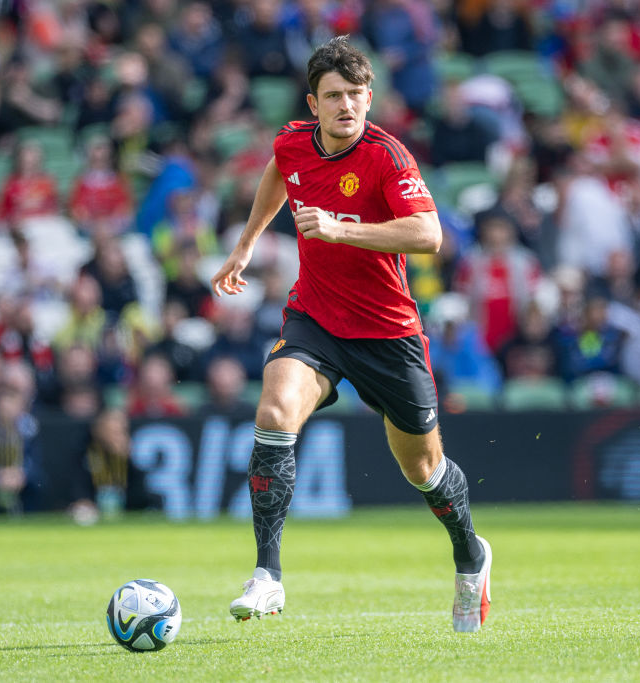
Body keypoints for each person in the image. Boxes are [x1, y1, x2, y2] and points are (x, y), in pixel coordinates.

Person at [210, 37, 491, 633]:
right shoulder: (291, 142)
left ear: (369, 98)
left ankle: (470, 553)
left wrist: (339, 229)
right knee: (276, 409)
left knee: (423, 470)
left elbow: (428, 234)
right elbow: (278, 174)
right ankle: (268, 576)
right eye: (333, 96)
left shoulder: (389, 158)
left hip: (387, 332)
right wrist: (246, 244)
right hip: (315, 318)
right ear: (313, 103)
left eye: (355, 96)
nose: (346, 106)